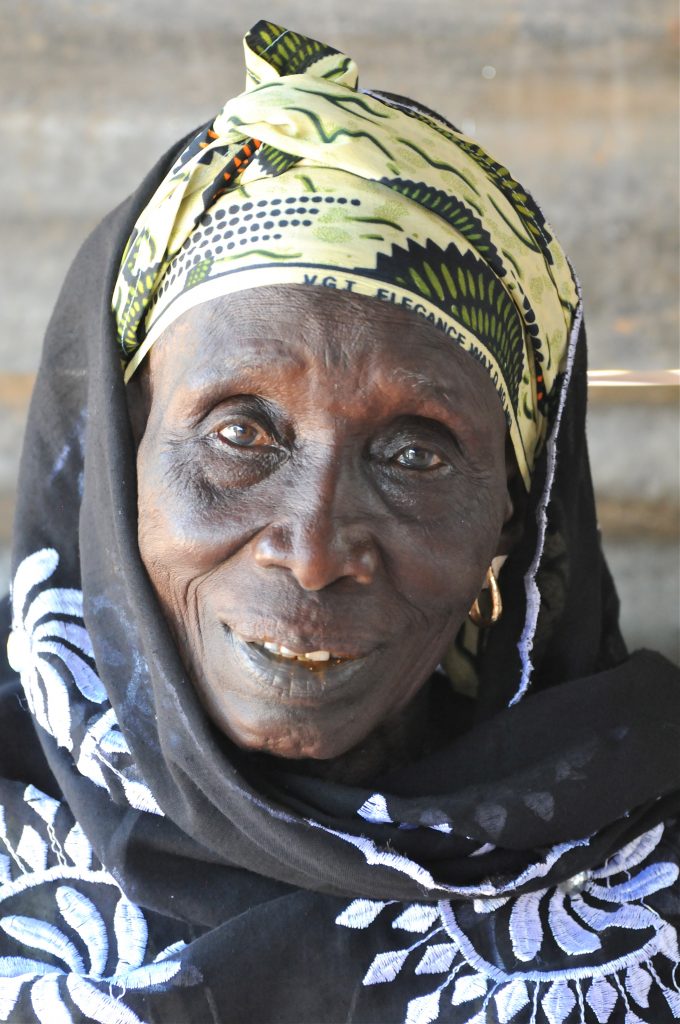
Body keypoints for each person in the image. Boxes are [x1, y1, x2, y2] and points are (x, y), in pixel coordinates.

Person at [1, 19, 678, 1024]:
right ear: (120, 454)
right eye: (240, 432)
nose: (312, 551)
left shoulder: (642, 868)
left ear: (509, 513)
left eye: (413, 454)